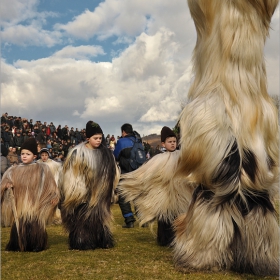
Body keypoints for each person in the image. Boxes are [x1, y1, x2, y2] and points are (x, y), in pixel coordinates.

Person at [118, 126, 194, 245]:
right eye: (170, 142)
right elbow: (145, 174)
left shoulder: (183, 157)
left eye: (174, 141)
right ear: (163, 144)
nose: (173, 144)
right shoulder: (158, 159)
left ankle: (180, 237)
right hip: (164, 195)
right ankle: (164, 239)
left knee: (179, 215)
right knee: (164, 217)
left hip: (181, 194)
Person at [61, 121, 120, 250]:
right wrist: (78, 192)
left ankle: (101, 240)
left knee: (100, 217)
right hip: (82, 193)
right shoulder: (77, 153)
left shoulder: (106, 154)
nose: (99, 141)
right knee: (82, 217)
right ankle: (82, 241)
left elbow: (113, 172)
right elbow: (72, 174)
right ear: (88, 138)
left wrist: (110, 190)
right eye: (95, 138)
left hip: (100, 193)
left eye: (100, 138)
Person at [1, 137, 60, 251]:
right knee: (20, 224)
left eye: (28, 154)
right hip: (20, 206)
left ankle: (36, 244)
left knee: (35, 224)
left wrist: (54, 196)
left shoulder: (42, 168)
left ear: (34, 156)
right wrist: (7, 185)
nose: (24, 156)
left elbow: (50, 185)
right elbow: (4, 182)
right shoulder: (13, 170)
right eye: (22, 153)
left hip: (35, 205)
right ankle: (18, 244)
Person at [113, 123, 143, 228]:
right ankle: (143, 219)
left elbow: (115, 156)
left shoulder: (122, 141)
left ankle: (129, 220)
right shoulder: (138, 141)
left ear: (123, 132)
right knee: (138, 196)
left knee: (123, 197)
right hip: (139, 173)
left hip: (126, 173)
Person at [37, 148, 63, 225]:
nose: (44, 157)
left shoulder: (54, 164)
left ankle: (55, 218)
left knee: (52, 203)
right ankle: (42, 219)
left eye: (46, 155)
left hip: (51, 186)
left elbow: (58, 174)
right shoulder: (37, 163)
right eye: (42, 155)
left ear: (48, 155)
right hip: (40, 187)